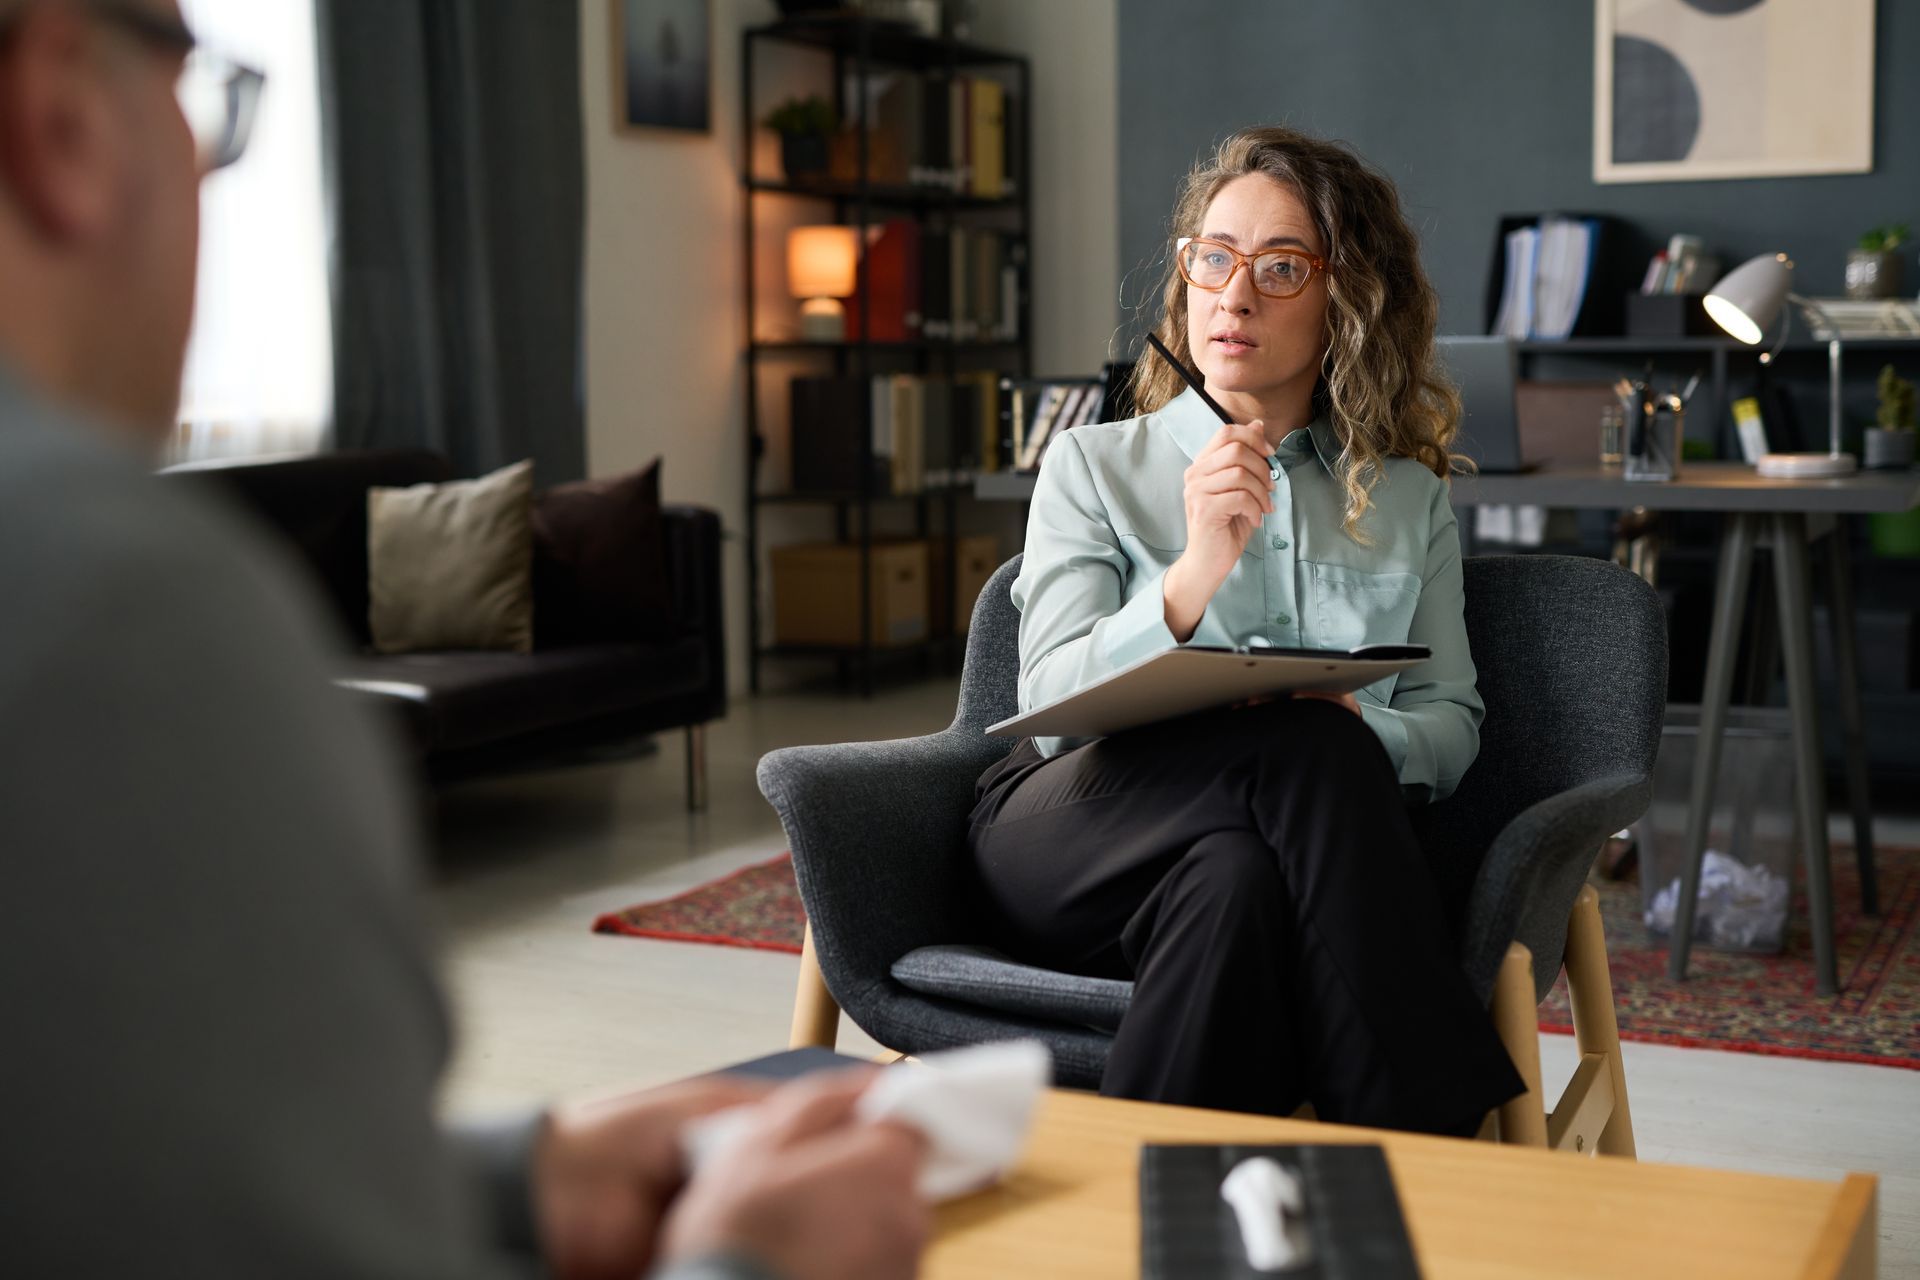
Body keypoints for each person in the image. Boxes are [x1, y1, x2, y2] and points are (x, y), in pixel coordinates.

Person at [0, 2, 927, 1276]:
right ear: (62, 117)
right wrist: (752, 1259)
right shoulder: (116, 613)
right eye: (201, 100)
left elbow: (121, 1189)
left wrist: (516, 1179)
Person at [967, 126, 1525, 1137]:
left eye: (1279, 267)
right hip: (1072, 832)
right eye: (1213, 258)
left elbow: (1450, 729)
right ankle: (1437, 1150)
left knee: (1240, 876)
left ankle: (1148, 1195)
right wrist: (1191, 577)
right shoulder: (1093, 466)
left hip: (1265, 854)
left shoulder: (1408, 498)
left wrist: (1356, 722)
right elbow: (1046, 712)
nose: (1233, 295)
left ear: (1348, 300)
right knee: (1304, 748)